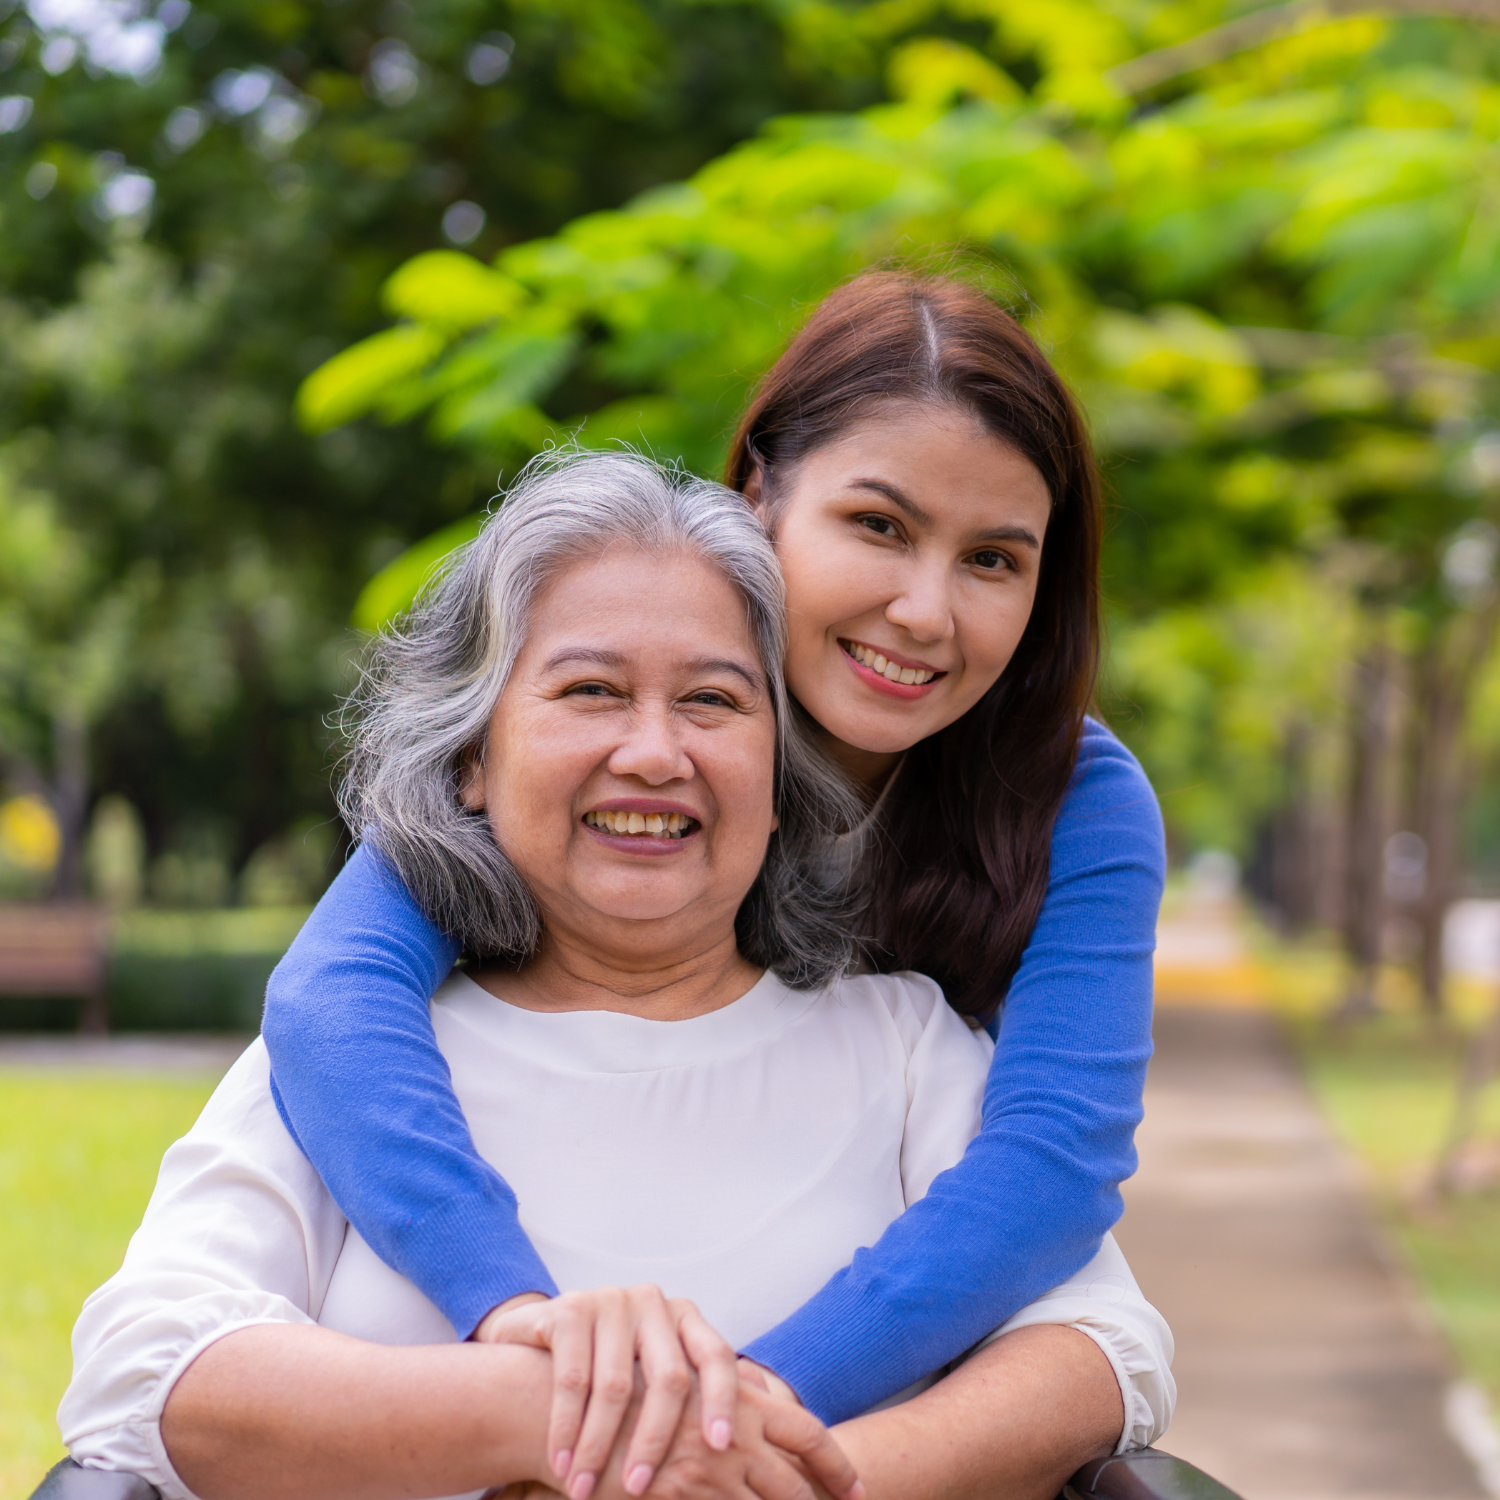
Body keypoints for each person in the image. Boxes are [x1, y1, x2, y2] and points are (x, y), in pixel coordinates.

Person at [59, 455, 1173, 1500]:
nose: (654, 752)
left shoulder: (903, 1043)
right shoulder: (362, 1057)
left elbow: (1102, 1351)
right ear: (470, 762)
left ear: (783, 778)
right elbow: (142, 1370)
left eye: (714, 701)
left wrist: (782, 1481)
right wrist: (550, 1408)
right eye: (591, 690)